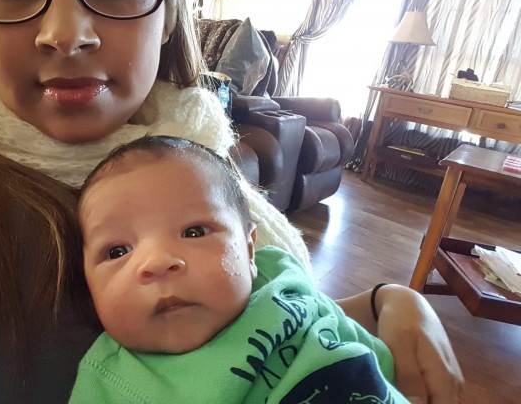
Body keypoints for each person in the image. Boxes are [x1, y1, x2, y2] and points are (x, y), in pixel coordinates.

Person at [0, 0, 462, 403]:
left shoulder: (192, 159)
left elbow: (260, 327)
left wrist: (387, 304)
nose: (65, 34)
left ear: (169, 9)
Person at [70, 135, 410, 404]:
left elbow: (363, 347)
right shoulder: (108, 382)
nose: (157, 262)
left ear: (249, 250)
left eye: (194, 232)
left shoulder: (279, 274)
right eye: (117, 251)